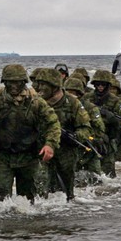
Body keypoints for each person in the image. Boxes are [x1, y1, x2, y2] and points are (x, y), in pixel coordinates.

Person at [0, 64, 60, 203]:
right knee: (1, 198)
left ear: (23, 82)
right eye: (10, 82)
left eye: (17, 82)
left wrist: (50, 145)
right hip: (3, 155)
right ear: (5, 82)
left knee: (27, 200)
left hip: (28, 155)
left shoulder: (35, 101)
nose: (14, 86)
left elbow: (53, 123)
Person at [31, 68, 91, 201]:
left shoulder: (72, 103)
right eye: (38, 84)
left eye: (43, 85)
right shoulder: (35, 102)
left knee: (66, 194)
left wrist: (74, 137)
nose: (39, 88)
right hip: (42, 151)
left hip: (66, 153)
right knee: (40, 189)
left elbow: (85, 129)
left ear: (54, 86)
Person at [82, 70, 121, 178]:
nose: (100, 87)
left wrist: (112, 119)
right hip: (91, 139)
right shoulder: (87, 98)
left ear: (108, 85)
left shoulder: (116, 101)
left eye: (103, 84)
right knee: (88, 173)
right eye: (97, 84)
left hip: (109, 140)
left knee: (109, 176)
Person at [64, 76, 106, 178]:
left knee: (96, 178)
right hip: (70, 148)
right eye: (68, 92)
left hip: (89, 146)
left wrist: (85, 135)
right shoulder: (62, 107)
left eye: (73, 93)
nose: (70, 95)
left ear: (79, 94)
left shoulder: (90, 108)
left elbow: (100, 129)